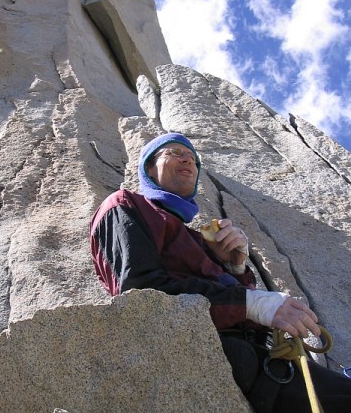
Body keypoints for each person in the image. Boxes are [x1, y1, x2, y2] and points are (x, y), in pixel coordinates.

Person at [90, 132, 351, 413]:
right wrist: (250, 304)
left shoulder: (197, 238)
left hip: (253, 357)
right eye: (174, 152)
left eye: (192, 156)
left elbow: (233, 302)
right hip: (211, 355)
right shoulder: (125, 205)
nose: (188, 158)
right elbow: (139, 294)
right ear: (149, 169)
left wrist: (235, 267)